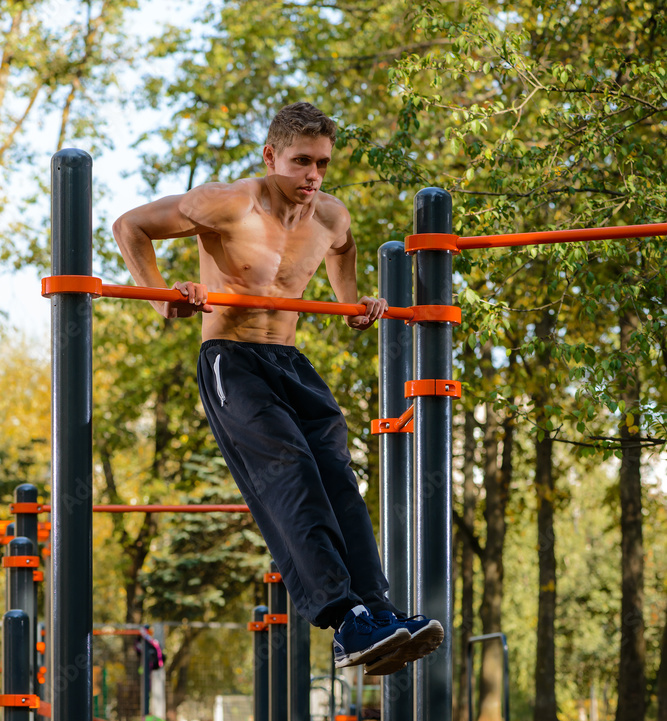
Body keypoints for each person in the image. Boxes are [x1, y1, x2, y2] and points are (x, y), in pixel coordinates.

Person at [113, 101, 443, 675]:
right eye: (300, 163)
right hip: (232, 362)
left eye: (321, 164)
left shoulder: (329, 216)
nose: (312, 176)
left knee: (339, 477)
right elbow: (130, 226)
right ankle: (345, 621)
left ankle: (377, 608)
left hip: (291, 360)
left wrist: (350, 302)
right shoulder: (225, 203)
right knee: (290, 470)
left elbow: (343, 250)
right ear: (271, 157)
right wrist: (163, 294)